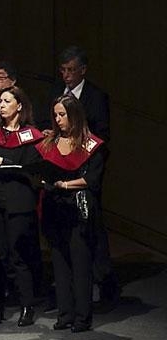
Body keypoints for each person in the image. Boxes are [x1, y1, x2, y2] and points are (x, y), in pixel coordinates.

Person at [49, 46, 116, 307]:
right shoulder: (56, 92)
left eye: (71, 70)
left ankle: (104, 281)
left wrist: (79, 150)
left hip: (84, 171)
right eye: (63, 70)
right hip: (59, 169)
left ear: (83, 71)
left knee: (92, 231)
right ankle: (68, 293)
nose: (66, 75)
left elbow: (103, 135)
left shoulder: (96, 97)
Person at [36, 95, 105, 333]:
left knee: (80, 263)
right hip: (55, 207)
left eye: (62, 115)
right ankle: (65, 314)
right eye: (55, 115)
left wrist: (65, 185)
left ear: (74, 115)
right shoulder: (50, 142)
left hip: (77, 209)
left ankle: (82, 317)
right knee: (60, 263)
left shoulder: (90, 144)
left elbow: (93, 180)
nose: (58, 119)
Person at [0, 86, 44, 328]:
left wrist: (5, 162)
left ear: (19, 105)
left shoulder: (32, 136)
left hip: (20, 201)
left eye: (7, 100)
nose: (2, 105)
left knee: (19, 255)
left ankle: (27, 305)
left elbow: (32, 169)